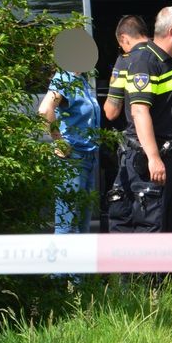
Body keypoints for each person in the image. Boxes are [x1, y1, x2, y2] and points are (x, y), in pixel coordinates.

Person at [114, 6, 172, 232]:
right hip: (156, 160)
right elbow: (139, 111)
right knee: (152, 228)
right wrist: (153, 157)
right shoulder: (145, 62)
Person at [38, 67, 100, 234]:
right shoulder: (64, 77)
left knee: (83, 225)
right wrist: (59, 141)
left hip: (88, 156)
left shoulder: (81, 79)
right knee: (68, 225)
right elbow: (45, 110)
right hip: (73, 158)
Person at [103, 14, 150, 124]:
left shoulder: (125, 61)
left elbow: (111, 113)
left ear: (124, 38)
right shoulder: (167, 54)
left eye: (120, 45)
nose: (122, 49)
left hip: (140, 131)